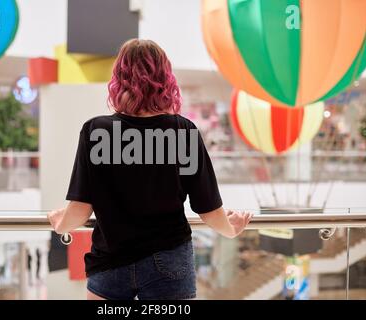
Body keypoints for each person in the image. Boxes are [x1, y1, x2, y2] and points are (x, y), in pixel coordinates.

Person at [48, 39, 252, 300]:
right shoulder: (183, 132)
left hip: (110, 261)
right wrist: (230, 229)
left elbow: (80, 211)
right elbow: (208, 209)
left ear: (119, 78)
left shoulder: (96, 131)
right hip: (170, 258)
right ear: (165, 78)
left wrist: (59, 223)